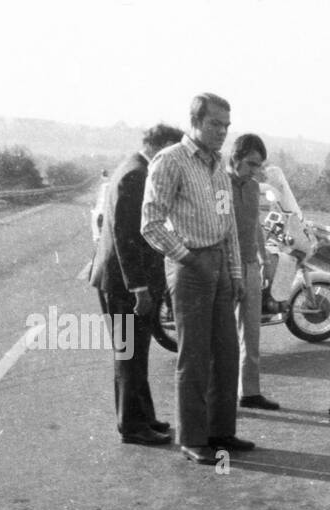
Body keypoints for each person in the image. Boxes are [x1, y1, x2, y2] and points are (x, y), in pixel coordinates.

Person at [142, 93, 251, 465]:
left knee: (227, 352)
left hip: (220, 263)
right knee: (195, 355)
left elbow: (227, 224)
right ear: (195, 122)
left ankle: (221, 432)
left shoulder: (218, 166)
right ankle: (192, 438)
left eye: (226, 125)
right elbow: (151, 224)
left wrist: (235, 273)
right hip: (189, 265)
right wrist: (188, 259)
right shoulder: (170, 160)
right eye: (214, 124)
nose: (222, 131)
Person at [89, 123, 184, 446]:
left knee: (136, 353)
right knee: (130, 354)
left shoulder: (136, 169)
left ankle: (143, 417)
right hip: (125, 285)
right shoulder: (136, 175)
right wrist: (139, 289)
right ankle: (132, 426)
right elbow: (125, 237)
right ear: (160, 146)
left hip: (124, 282)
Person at [228, 133, 280, 412]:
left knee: (251, 334)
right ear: (235, 158)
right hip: (225, 268)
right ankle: (221, 399)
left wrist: (264, 258)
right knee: (223, 338)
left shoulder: (252, 187)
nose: (255, 170)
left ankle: (249, 393)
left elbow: (255, 224)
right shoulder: (218, 185)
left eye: (259, 165)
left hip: (249, 267)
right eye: (250, 164)